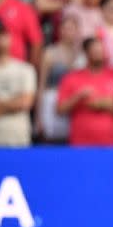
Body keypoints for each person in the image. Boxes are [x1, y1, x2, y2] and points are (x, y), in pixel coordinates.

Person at [56, 37, 113, 146]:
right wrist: (78, 97)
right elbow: (60, 109)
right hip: (80, 141)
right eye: (95, 51)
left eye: (101, 51)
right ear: (86, 52)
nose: (99, 54)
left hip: (109, 141)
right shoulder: (71, 78)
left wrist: (108, 106)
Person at [0, 18, 36, 146]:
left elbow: (25, 103)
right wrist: (13, 102)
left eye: (3, 36)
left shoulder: (25, 70)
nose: (0, 40)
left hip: (17, 139)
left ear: (10, 39)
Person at [36, 15, 84, 144]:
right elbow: (41, 85)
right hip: (52, 99)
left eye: (71, 28)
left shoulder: (82, 54)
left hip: (74, 103)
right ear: (59, 30)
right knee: (51, 141)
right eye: (65, 28)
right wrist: (38, 117)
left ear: (77, 31)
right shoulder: (50, 53)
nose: (68, 32)